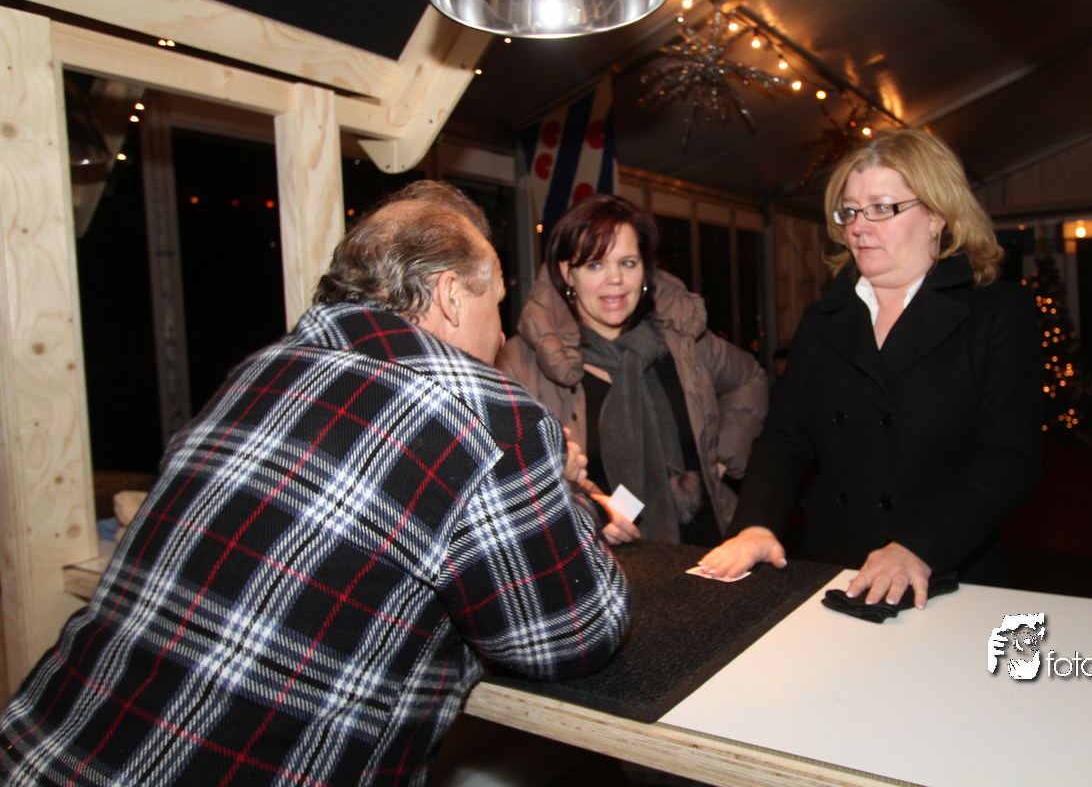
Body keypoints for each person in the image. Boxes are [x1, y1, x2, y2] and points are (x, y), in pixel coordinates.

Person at [0, 181, 629, 787]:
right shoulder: (483, 409)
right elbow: (571, 635)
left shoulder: (255, 372)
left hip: (41, 748)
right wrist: (562, 495)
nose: (500, 333)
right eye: (495, 303)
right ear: (449, 296)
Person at [700, 129, 1041, 608]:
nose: (859, 227)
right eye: (850, 211)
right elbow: (783, 440)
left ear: (938, 215)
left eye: (882, 208)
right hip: (834, 569)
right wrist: (756, 525)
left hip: (946, 571)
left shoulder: (996, 312)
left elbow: (1009, 457)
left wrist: (918, 545)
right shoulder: (824, 319)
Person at [497, 194, 768, 547]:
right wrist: (581, 512)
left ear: (645, 270)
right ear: (567, 273)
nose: (615, 279)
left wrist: (718, 455)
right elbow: (501, 479)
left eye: (627, 262)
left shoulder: (681, 338)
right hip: (601, 561)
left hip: (711, 548)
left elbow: (750, 378)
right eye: (595, 265)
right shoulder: (522, 363)